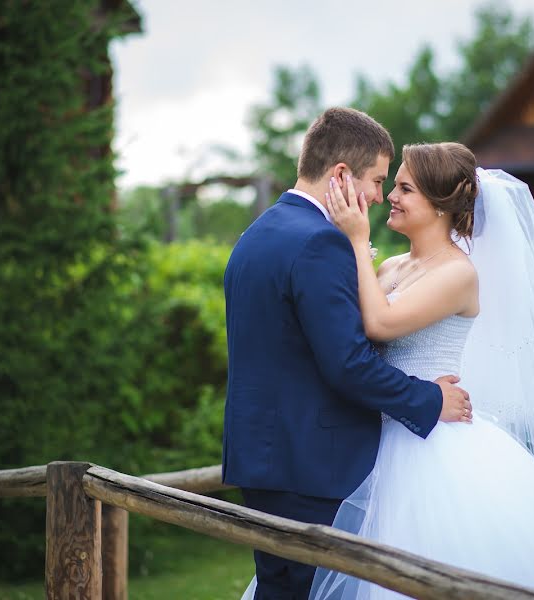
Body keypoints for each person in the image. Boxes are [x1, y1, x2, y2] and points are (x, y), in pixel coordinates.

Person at [304, 142, 534, 599]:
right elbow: (358, 338)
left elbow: (380, 322)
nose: (391, 197)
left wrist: (357, 241)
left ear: (440, 206)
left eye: (405, 189)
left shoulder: (459, 274)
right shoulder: (396, 266)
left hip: (431, 443)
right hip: (380, 428)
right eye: (394, 185)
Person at [223, 108, 473, 600]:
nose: (380, 197)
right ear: (341, 175)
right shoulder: (320, 243)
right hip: (310, 464)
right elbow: (348, 364)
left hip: (262, 456)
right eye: (379, 180)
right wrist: (429, 400)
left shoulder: (258, 233)